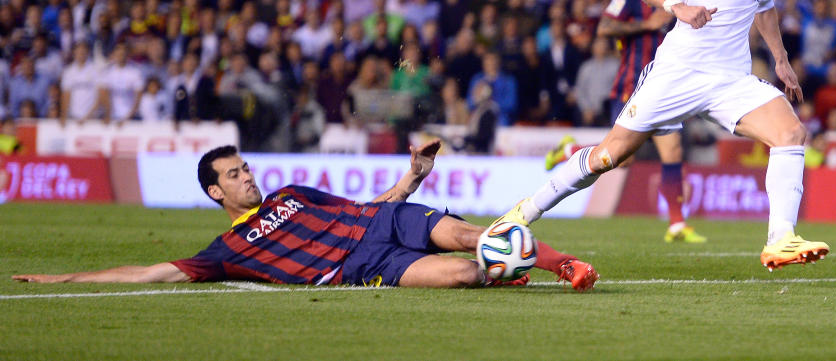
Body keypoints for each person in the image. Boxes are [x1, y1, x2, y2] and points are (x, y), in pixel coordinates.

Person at [494, 0, 829, 272]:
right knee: (608, 157)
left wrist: (781, 58)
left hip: (731, 78)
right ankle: (523, 212)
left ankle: (780, 238)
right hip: (678, 72)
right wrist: (678, 7)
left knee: (791, 132)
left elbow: (765, 5)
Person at [13, 141, 598, 290]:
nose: (247, 175)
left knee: (470, 233)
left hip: (380, 225)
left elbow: (371, 206)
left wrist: (412, 176)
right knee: (465, 273)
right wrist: (63, 278)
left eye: (245, 166)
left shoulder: (291, 192)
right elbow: (148, 274)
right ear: (216, 193)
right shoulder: (226, 252)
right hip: (361, 267)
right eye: (234, 174)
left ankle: (564, 264)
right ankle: (504, 270)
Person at [544, 0, 706, 243]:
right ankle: (569, 151)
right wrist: (645, 25)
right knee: (619, 159)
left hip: (665, 87)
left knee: (673, 153)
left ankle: (677, 225)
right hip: (631, 87)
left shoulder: (671, 1)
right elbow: (604, 28)